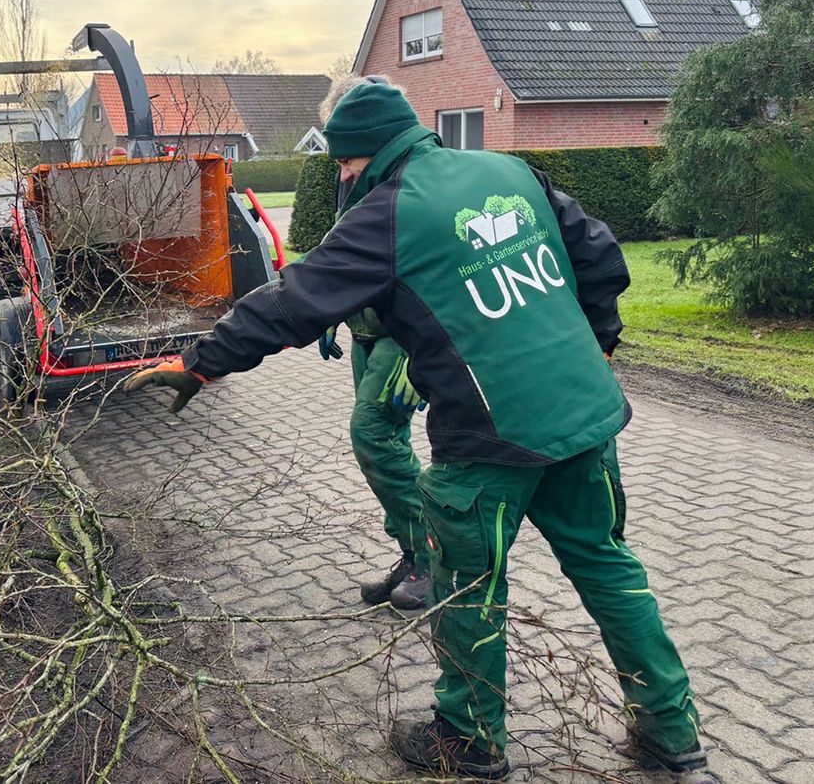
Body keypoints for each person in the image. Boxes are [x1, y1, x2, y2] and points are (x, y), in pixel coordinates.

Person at [127, 80, 705, 780]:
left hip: (490, 438)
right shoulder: (511, 171)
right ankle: (670, 727)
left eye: (343, 164)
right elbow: (601, 258)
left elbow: (293, 299)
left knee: (468, 590)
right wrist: (597, 345)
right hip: (586, 416)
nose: (342, 177)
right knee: (607, 566)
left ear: (365, 155)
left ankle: (470, 739)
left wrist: (199, 363)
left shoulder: (388, 214)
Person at [317, 77, 433, 611]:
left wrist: (417, 346)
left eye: (348, 154)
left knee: (372, 434)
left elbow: (430, 264)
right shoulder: (350, 173)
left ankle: (435, 559)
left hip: (398, 335)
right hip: (364, 330)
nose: (343, 169)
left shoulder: (415, 178)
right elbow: (343, 240)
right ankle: (413, 551)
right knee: (390, 447)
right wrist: (330, 307)